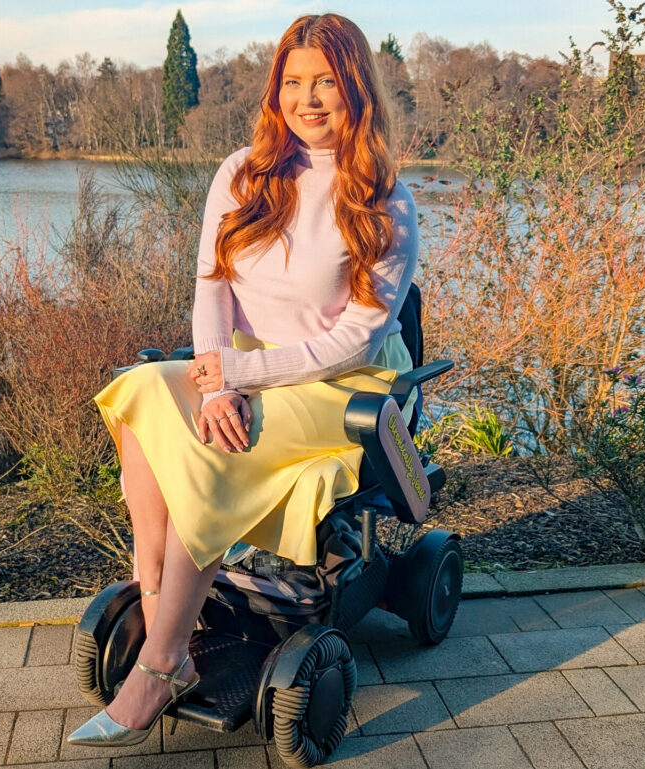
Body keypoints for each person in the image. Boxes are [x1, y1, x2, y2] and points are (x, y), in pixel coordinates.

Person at [67, 12, 419, 747]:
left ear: (356, 87)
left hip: (343, 386)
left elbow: (357, 336)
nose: (307, 99)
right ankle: (159, 598)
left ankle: (163, 660)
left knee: (208, 445)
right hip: (240, 367)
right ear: (275, 90)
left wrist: (242, 373)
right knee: (140, 392)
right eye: (293, 82)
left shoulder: (385, 199)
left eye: (326, 82)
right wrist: (219, 382)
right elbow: (212, 288)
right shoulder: (242, 172)